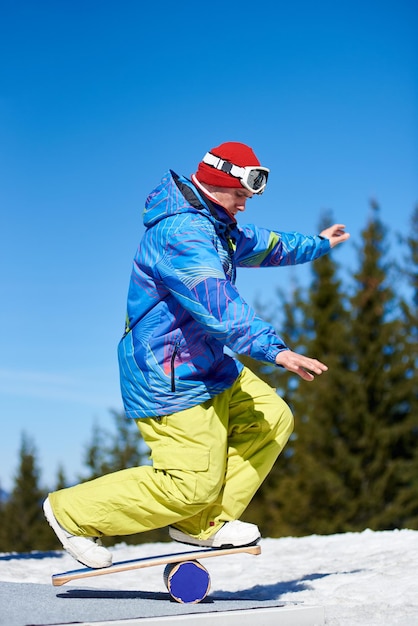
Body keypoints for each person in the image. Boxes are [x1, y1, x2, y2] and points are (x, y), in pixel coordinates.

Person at [43, 141, 350, 568]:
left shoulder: (217, 226)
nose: (244, 207)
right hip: (169, 374)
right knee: (189, 486)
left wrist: (319, 244)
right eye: (240, 196)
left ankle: (202, 525)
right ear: (217, 184)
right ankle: (70, 512)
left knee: (272, 419)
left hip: (207, 363)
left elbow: (270, 245)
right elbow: (216, 299)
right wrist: (274, 350)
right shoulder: (182, 235)